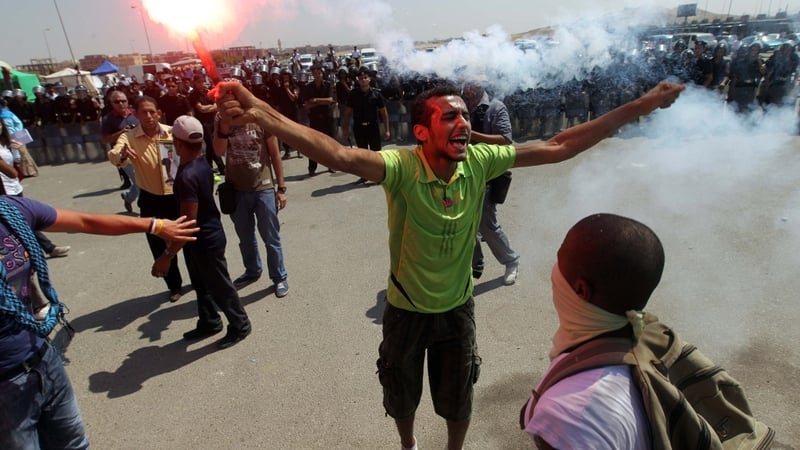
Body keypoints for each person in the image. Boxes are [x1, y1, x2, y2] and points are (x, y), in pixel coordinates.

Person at [212, 78, 684, 450]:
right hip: (405, 310)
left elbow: (561, 146)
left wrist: (641, 105)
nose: (463, 122)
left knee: (459, 400)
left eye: (464, 114)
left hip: (457, 312)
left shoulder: (479, 161)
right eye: (449, 116)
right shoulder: (401, 167)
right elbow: (338, 152)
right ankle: (408, 443)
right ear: (422, 132)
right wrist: (262, 114)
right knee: (400, 393)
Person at [0, 195, 197, 450]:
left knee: (75, 444)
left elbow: (85, 221)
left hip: (43, 359)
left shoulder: (11, 211)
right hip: (6, 384)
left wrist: (155, 226)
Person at [521, 213, 661, 448]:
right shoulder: (645, 343)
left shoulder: (570, 416)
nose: (553, 270)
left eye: (559, 258)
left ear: (581, 290)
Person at [152, 115, 251, 349]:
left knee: (219, 286)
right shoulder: (201, 163)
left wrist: (166, 256)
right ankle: (209, 320)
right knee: (201, 283)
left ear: (177, 142)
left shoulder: (187, 175)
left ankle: (240, 324)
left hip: (205, 240)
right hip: (203, 238)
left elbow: (188, 221)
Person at [107, 96, 185, 303]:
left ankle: (199, 280)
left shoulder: (172, 132)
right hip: (151, 199)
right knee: (159, 245)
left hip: (177, 196)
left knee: (188, 240)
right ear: (136, 114)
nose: (149, 116)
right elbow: (114, 155)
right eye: (144, 112)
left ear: (159, 113)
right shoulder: (130, 137)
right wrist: (121, 154)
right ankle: (174, 285)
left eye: (152, 112)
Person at [214, 107, 289, 297]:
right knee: (245, 238)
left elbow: (274, 154)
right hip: (236, 190)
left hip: (263, 188)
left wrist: (281, 188)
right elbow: (218, 150)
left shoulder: (259, 116)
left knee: (271, 238)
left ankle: (279, 277)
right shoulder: (222, 118)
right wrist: (224, 124)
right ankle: (253, 270)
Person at [461, 81, 520, 285]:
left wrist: (472, 135)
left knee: (486, 224)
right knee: (465, 224)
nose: (467, 88)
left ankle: (511, 261)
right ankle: (473, 266)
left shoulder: (496, 107)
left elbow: (505, 139)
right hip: (463, 174)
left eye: (471, 84)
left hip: (488, 175)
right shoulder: (461, 106)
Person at [0, 119, 70, 258]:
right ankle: (47, 248)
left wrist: (20, 151)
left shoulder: (5, 143)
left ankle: (33, 252)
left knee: (21, 221)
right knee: (23, 220)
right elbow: (11, 172)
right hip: (4, 191)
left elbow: (16, 168)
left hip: (14, 187)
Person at [341, 66, 390, 183]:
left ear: (369, 79)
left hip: (373, 127)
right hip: (359, 127)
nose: (363, 80)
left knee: (377, 153)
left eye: (365, 77)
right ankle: (365, 176)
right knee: (362, 154)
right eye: (360, 78)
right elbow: (347, 113)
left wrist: (387, 129)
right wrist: (345, 129)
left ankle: (380, 175)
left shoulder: (376, 94)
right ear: (357, 80)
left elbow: (384, 112)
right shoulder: (353, 94)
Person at [100, 90, 139, 207]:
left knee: (142, 181)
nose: (121, 104)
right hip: (124, 156)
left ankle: (128, 197)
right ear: (112, 103)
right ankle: (148, 215)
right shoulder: (108, 119)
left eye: (123, 101)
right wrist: (121, 133)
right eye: (117, 102)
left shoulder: (135, 114)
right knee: (141, 183)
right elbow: (105, 139)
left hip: (140, 151)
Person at [301, 64, 337, 176]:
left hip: (327, 118)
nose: (317, 75)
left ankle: (331, 165)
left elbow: (330, 100)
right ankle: (312, 167)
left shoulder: (328, 85)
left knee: (330, 143)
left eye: (319, 73)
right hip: (315, 119)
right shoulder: (308, 87)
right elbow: (306, 105)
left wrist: (316, 100)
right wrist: (321, 102)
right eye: (315, 73)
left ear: (322, 73)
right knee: (313, 144)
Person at [188, 74, 225, 174]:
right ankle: (222, 167)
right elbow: (201, 109)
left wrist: (212, 107)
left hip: (212, 120)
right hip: (204, 123)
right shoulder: (193, 95)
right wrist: (212, 107)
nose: (201, 84)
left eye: (202, 81)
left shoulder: (206, 92)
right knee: (211, 144)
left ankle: (208, 166)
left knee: (210, 145)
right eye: (198, 82)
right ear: (195, 83)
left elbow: (216, 103)